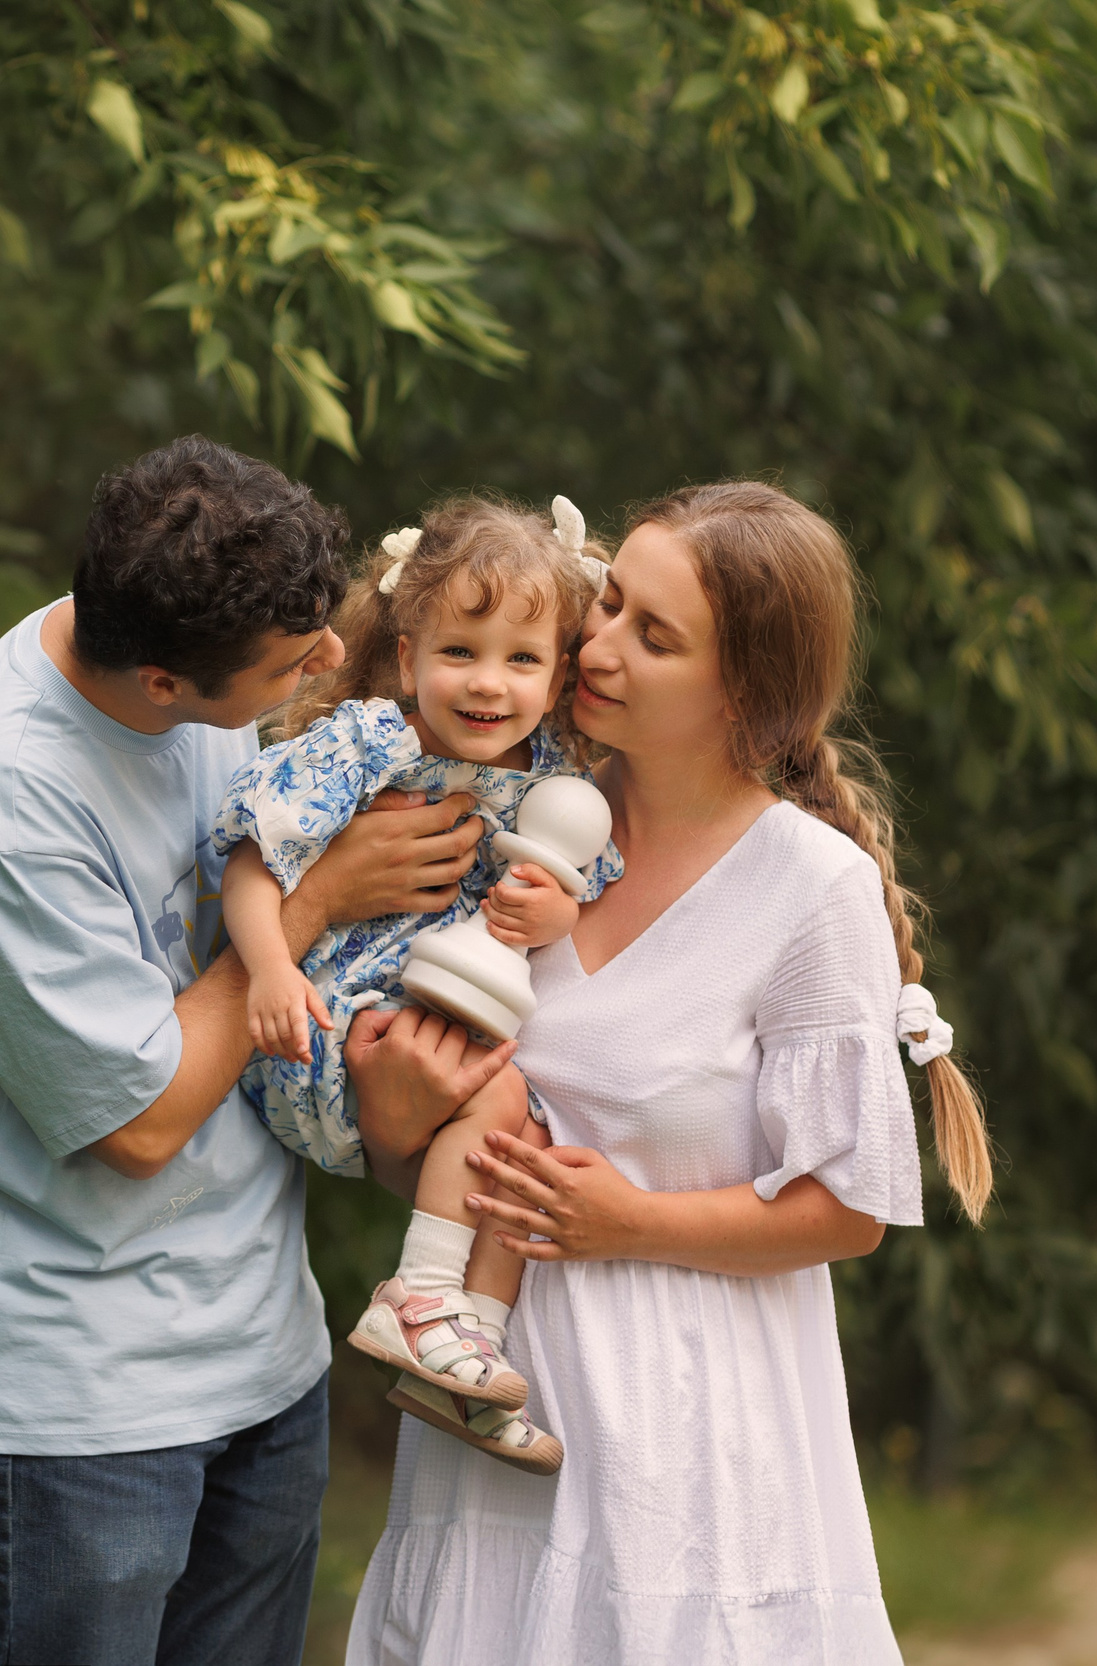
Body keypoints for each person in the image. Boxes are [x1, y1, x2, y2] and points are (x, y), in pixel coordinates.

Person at [342, 480, 993, 1664]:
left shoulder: (809, 892)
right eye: (609, 608)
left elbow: (845, 1212)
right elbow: (474, 1158)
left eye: (654, 634)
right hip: (487, 1410)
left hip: (687, 1445)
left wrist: (628, 1220)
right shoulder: (506, 822)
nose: (596, 647)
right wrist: (391, 1126)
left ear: (743, 689)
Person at [0, 435, 495, 1666]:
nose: (333, 659)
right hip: (80, 1411)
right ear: (164, 683)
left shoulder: (193, 632)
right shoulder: (10, 796)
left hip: (262, 1363)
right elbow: (142, 1121)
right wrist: (317, 900)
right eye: (294, 661)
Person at [209, 495, 618, 1473]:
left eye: (521, 659)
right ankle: (420, 1296)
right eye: (460, 652)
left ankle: (464, 1354)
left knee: (534, 1139)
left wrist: (548, 914)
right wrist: (267, 965)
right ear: (404, 655)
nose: (488, 684)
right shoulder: (367, 744)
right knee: (510, 1092)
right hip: (324, 1028)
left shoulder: (557, 778)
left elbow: (579, 892)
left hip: (438, 1022)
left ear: (559, 670)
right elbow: (253, 860)